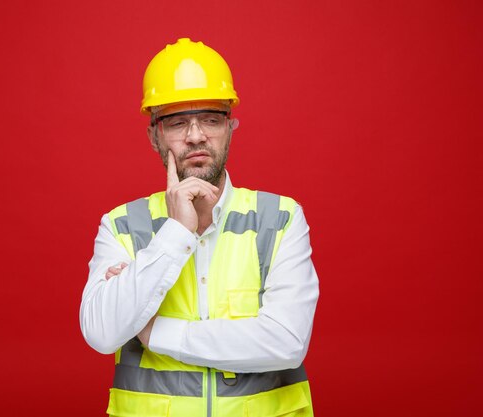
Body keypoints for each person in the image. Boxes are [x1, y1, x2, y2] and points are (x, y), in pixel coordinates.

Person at [80, 38, 319, 417]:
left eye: (210, 119)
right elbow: (102, 333)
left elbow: (285, 342)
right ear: (154, 135)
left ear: (230, 127)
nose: (195, 135)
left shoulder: (281, 219)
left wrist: (157, 332)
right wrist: (176, 232)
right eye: (177, 122)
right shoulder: (121, 225)